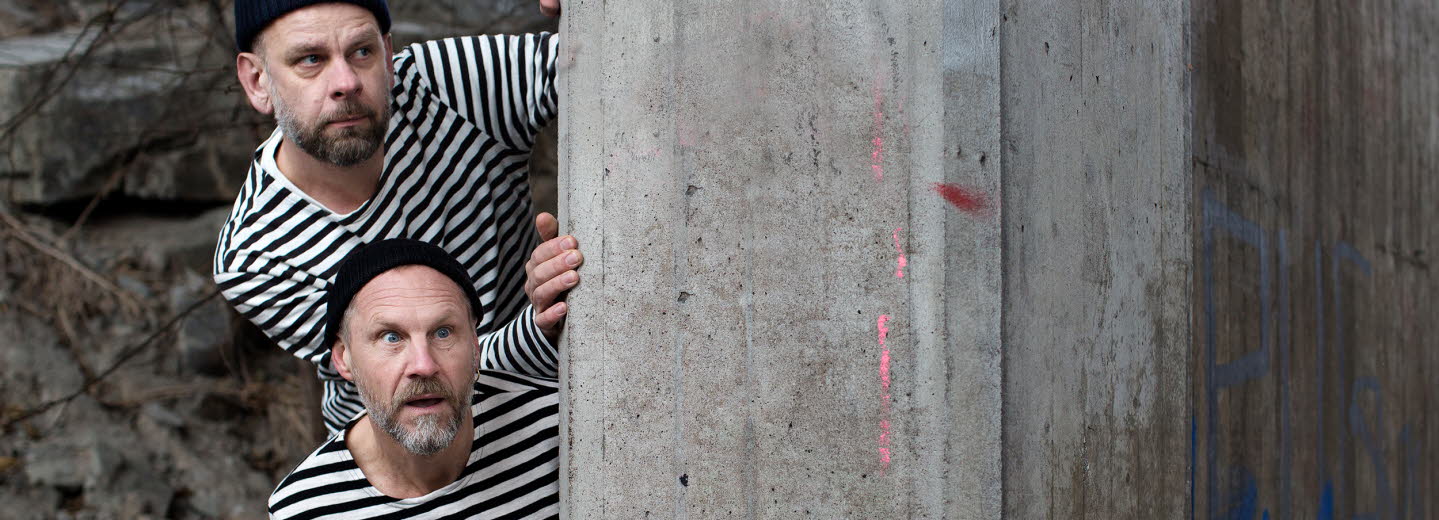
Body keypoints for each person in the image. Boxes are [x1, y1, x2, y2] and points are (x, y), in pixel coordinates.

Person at [213, 0, 580, 433]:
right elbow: (419, 375)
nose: (346, 82)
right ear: (258, 81)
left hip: (562, 387)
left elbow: (616, 56)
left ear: (387, 55)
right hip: (406, 446)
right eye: (311, 60)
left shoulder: (448, 88)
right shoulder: (257, 256)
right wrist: (539, 320)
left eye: (362, 52)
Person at [268, 239, 559, 518]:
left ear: (474, 344)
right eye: (391, 337)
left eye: (443, 332)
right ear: (344, 358)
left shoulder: (559, 428)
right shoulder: (305, 508)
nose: (424, 365)